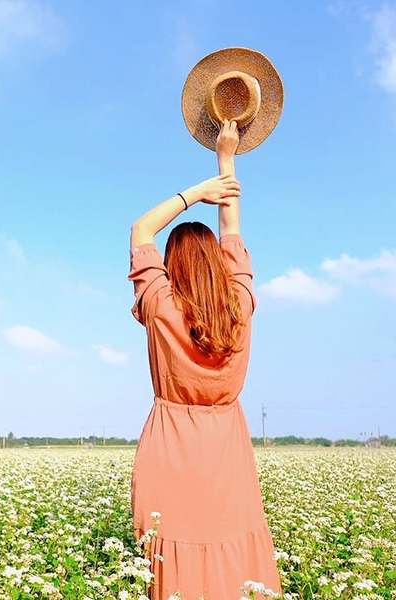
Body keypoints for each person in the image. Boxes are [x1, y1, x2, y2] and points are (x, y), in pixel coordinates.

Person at [127, 119, 282, 599]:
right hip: (227, 453)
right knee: (236, 563)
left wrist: (195, 192)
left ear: (170, 266)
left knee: (171, 564)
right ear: (217, 263)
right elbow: (232, 225)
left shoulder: (159, 303)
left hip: (169, 448)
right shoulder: (240, 303)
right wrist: (226, 158)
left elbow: (140, 228)